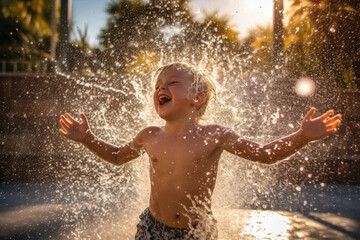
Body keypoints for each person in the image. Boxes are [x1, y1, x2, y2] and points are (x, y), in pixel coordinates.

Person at [59, 62, 342, 239]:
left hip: (199, 233)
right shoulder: (149, 136)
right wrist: (88, 139)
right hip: (152, 228)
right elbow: (118, 157)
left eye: (171, 82)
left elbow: (264, 154)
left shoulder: (214, 135)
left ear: (197, 98)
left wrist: (302, 136)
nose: (161, 87)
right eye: (158, 85)